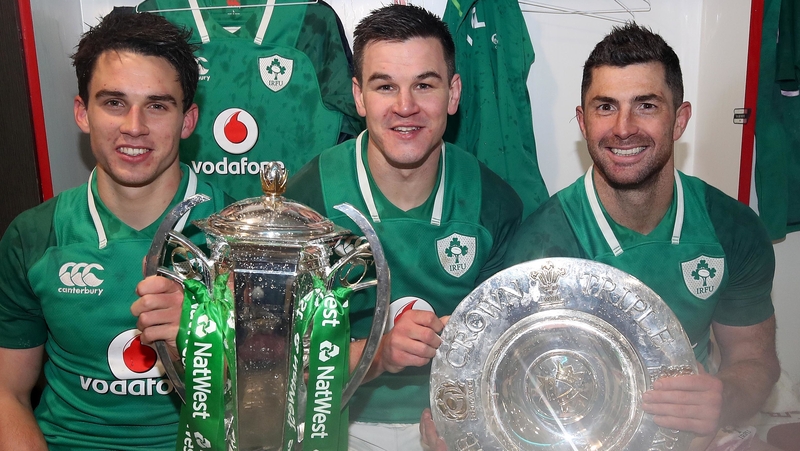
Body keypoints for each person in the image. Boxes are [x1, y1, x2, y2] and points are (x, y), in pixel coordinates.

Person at [421, 23, 780, 451]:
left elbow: (754, 361)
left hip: (695, 434)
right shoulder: (541, 245)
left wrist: (722, 400)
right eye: (606, 107)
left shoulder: (731, 227)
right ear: (583, 121)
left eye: (646, 105)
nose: (624, 127)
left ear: (679, 119)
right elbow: (515, 394)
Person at [283, 4, 522, 450]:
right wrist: (379, 353)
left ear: (453, 93)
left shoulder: (494, 203)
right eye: (385, 86)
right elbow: (277, 360)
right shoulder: (309, 198)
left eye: (424, 85)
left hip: (450, 426)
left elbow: (509, 355)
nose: (405, 107)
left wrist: (469, 429)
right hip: (332, 421)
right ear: (359, 97)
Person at [0, 11, 229, 450]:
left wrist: (204, 333)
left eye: (157, 105)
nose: (134, 127)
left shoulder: (242, 235)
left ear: (187, 120)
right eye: (114, 103)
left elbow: (275, 395)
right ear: (82, 112)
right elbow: (8, 392)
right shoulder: (34, 236)